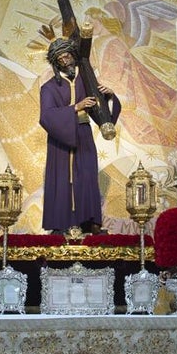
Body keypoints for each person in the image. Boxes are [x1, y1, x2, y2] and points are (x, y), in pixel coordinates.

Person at [39, 35, 120, 234]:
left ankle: (90, 221)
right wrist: (75, 107)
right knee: (62, 177)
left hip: (83, 135)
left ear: (73, 56)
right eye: (60, 59)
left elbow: (100, 113)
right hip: (61, 140)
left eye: (67, 56)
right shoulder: (49, 88)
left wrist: (109, 97)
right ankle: (60, 223)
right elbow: (46, 116)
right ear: (55, 62)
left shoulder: (86, 81)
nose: (65, 61)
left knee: (86, 175)